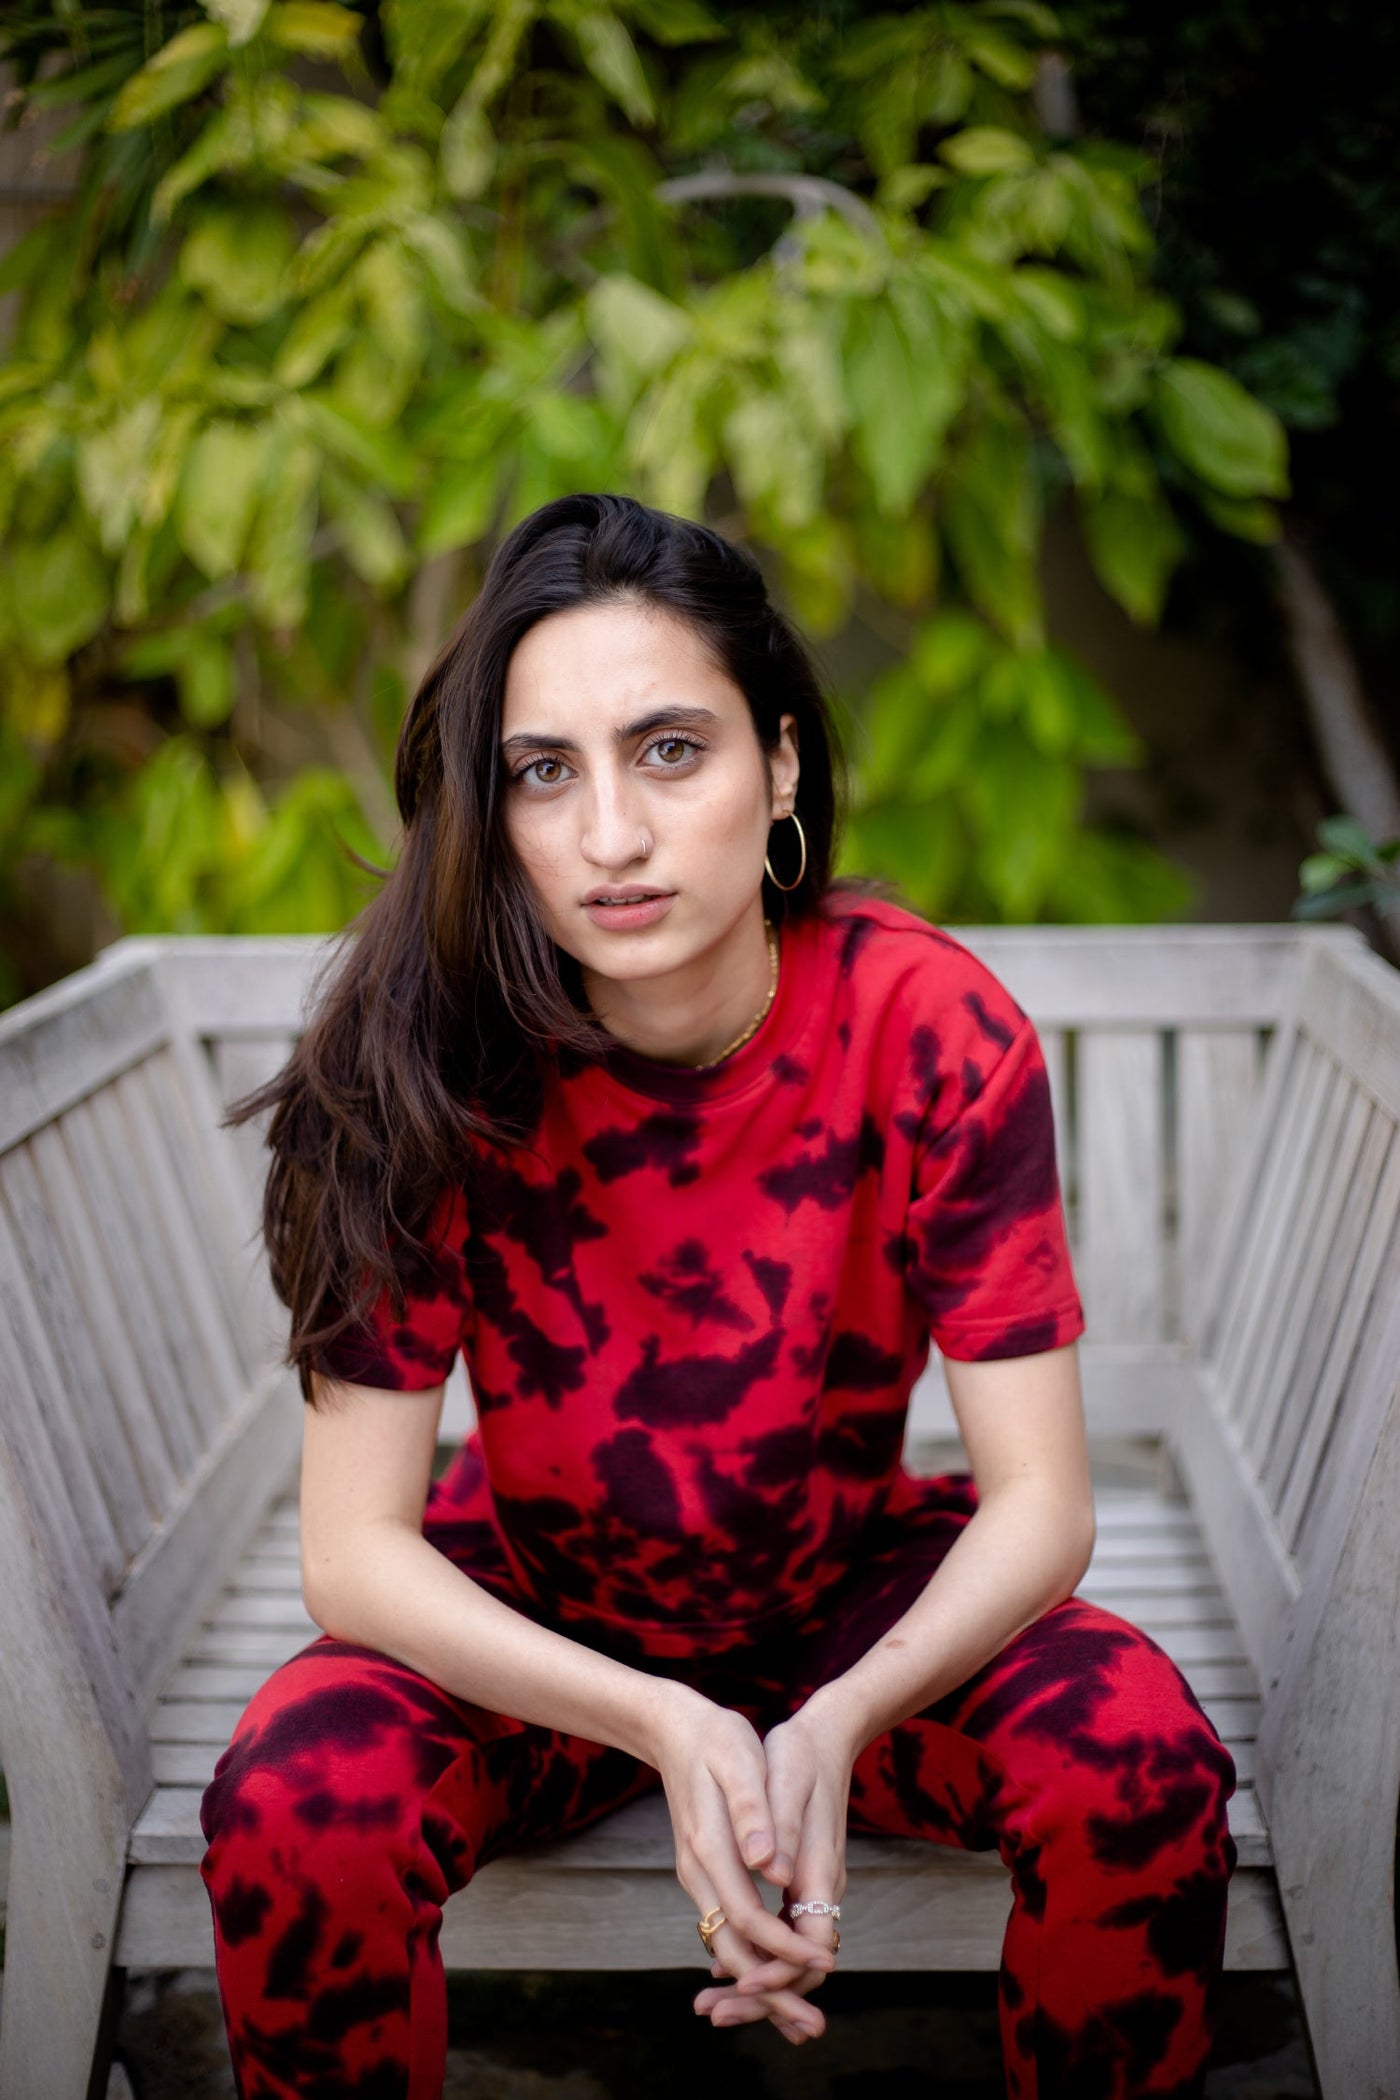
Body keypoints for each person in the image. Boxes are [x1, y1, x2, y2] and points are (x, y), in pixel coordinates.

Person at [199, 491, 1237, 2100]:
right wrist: (666, 1725)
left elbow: (1039, 1505)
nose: (611, 834)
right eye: (546, 771)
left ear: (783, 767)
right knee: (296, 1797)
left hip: (852, 1596)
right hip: (543, 1608)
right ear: (496, 809)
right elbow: (356, 1554)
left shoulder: (926, 1024)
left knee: (1143, 1768)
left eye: (670, 749)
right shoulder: (425, 1064)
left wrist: (834, 1720)